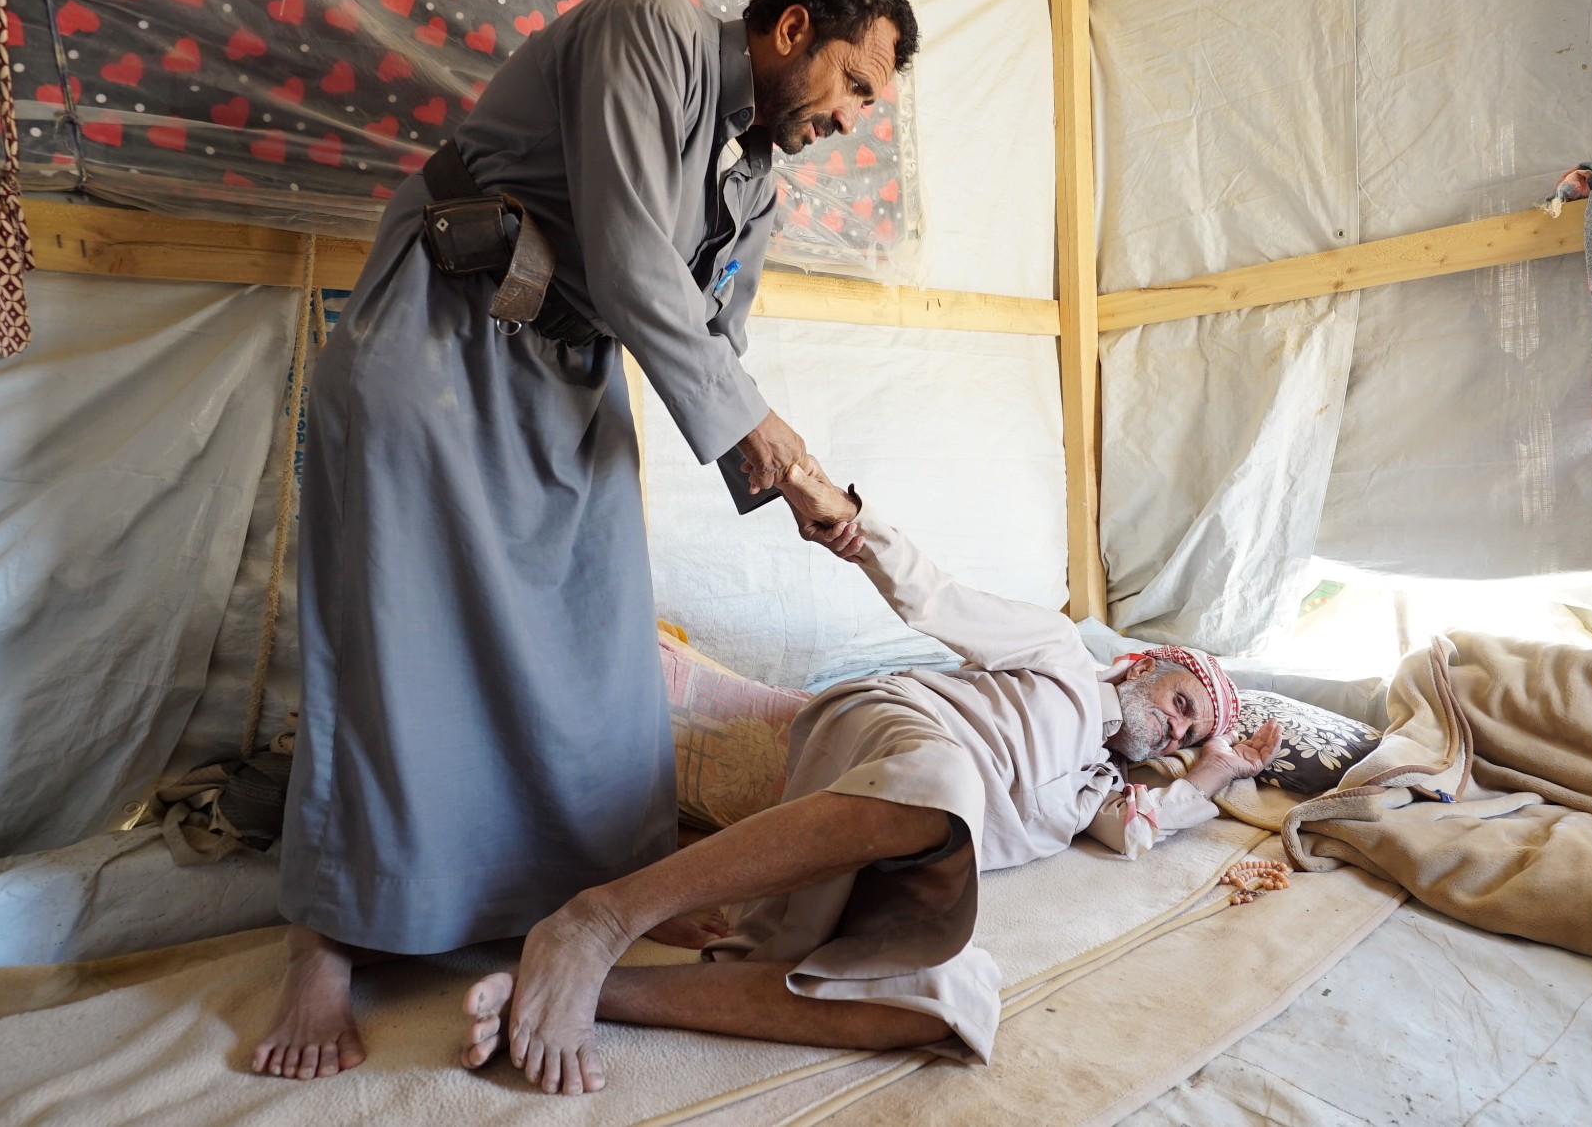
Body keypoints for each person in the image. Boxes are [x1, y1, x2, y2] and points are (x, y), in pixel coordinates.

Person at [254, 0, 922, 1080]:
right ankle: (331, 939)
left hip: (566, 381)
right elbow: (625, 255)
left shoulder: (753, 186)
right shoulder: (647, 26)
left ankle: (589, 904)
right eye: (857, 83)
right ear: (797, 27)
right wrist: (765, 436)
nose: (855, 119)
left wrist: (787, 483)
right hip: (440, 340)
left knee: (600, 646)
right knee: (392, 645)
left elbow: (714, 344)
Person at [459, 461, 1284, 1094]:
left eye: (1186, 731)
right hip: (896, 734)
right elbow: (938, 600)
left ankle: (600, 992)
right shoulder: (1062, 654)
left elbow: (1141, 828)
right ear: (1142, 664)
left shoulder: (1095, 796)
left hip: (915, 844)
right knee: (946, 774)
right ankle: (598, 923)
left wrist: (1214, 769)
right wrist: (852, 521)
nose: (1175, 726)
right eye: (1181, 702)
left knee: (948, 1008)